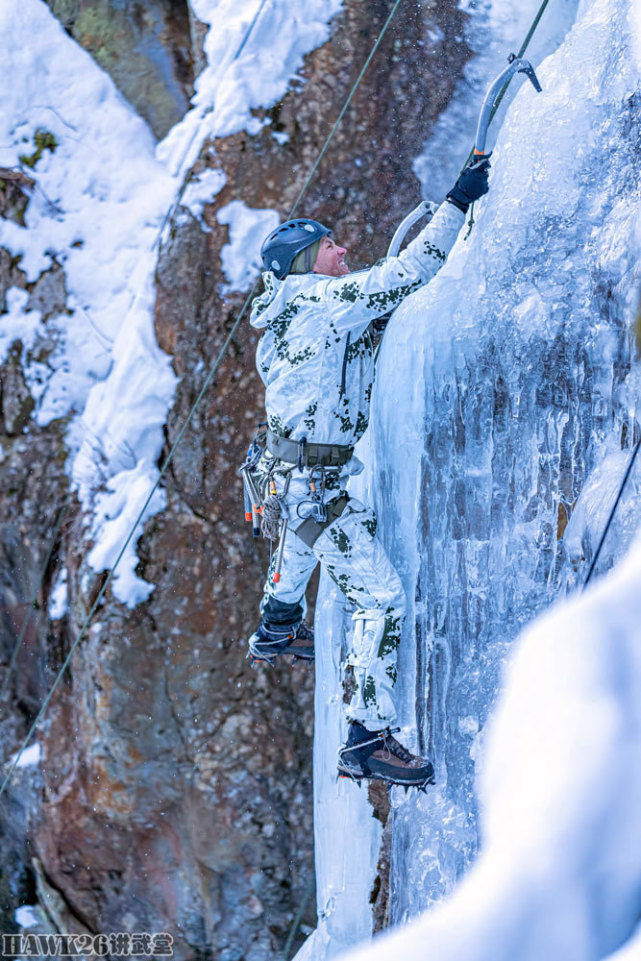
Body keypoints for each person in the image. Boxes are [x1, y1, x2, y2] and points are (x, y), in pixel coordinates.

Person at [246, 160, 490, 788]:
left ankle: (277, 627)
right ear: (305, 263)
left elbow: (363, 328)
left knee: (307, 530)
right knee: (379, 599)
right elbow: (407, 273)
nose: (343, 248)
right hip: (310, 483)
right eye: (330, 245)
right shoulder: (319, 303)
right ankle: (367, 736)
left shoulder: (292, 311)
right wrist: (458, 200)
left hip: (297, 476)